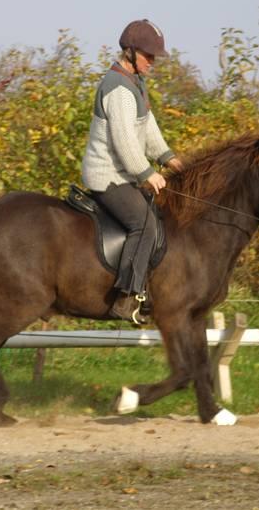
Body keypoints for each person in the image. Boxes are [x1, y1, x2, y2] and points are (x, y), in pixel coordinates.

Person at [81, 19, 184, 322]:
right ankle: (126, 297)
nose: (153, 62)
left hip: (124, 174)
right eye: (148, 56)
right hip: (107, 176)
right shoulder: (117, 89)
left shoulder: (136, 83)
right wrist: (146, 174)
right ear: (129, 51)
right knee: (144, 224)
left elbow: (147, 128)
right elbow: (125, 142)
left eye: (154, 57)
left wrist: (169, 158)